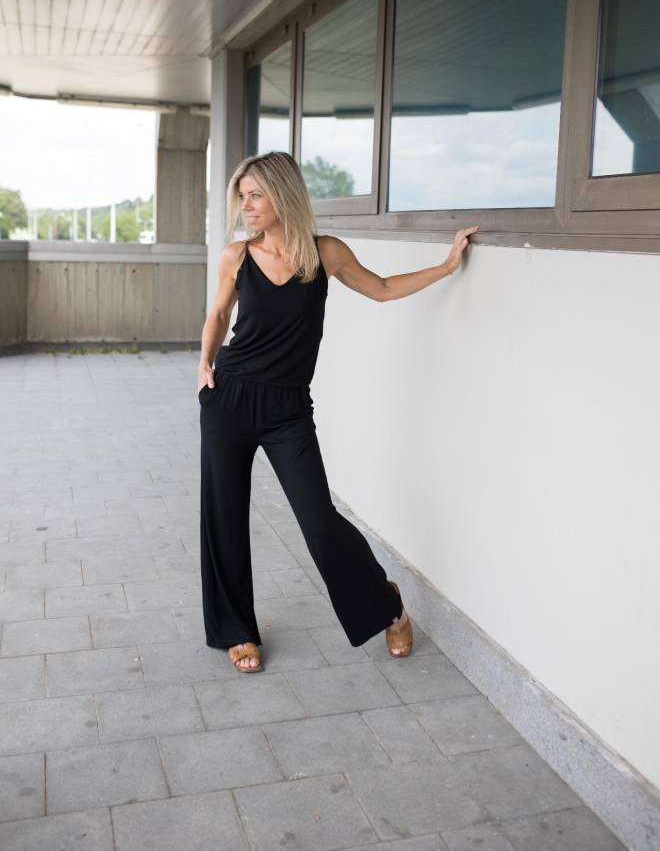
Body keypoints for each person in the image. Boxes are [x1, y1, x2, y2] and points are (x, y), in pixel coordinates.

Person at [197, 151, 478, 673]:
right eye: (242, 196)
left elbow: (384, 289)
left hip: (287, 409)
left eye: (255, 195)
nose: (246, 206)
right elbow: (217, 313)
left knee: (320, 521)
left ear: (283, 194)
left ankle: (388, 606)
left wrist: (445, 267)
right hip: (230, 398)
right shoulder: (237, 256)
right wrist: (203, 366)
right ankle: (237, 630)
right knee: (224, 514)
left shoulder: (325, 254)